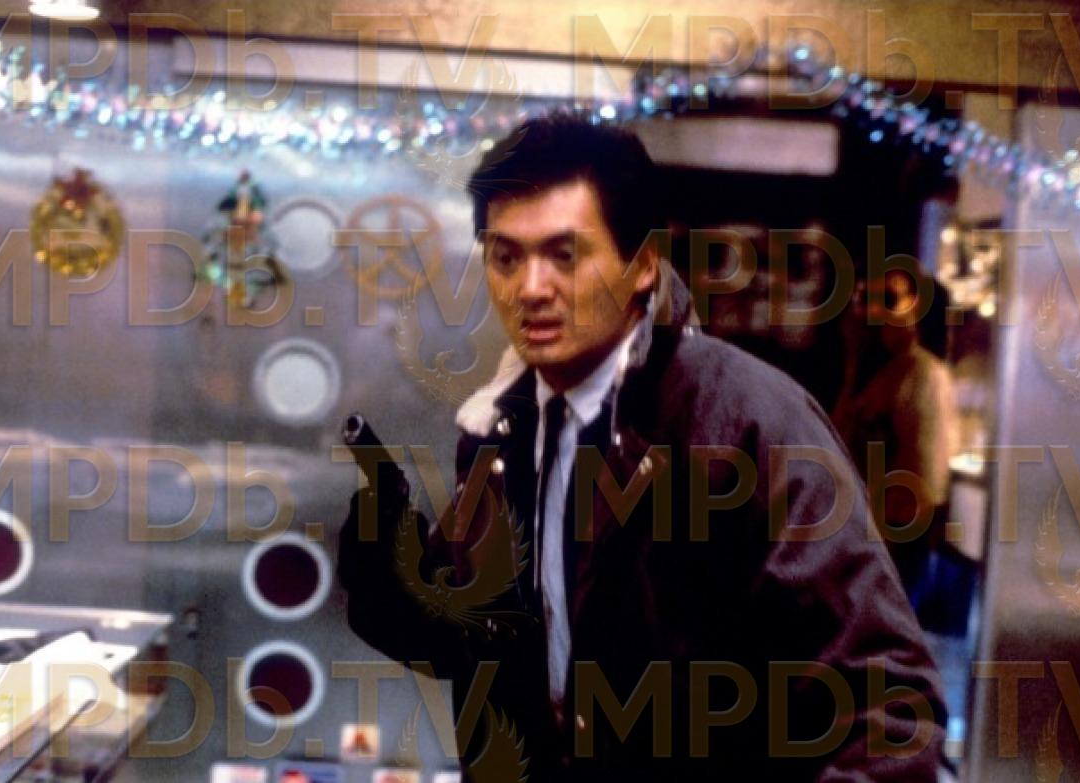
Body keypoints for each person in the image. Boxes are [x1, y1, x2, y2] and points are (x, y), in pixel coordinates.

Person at [338, 114, 947, 781]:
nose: (530, 288)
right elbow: (475, 643)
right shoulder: (502, 430)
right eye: (506, 257)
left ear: (643, 265)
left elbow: (887, 705)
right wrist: (387, 565)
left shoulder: (743, 422)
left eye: (565, 255)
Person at [832, 268, 960, 602]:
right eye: (865, 299)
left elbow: (922, 484)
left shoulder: (924, 375)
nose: (872, 311)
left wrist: (880, 547)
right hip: (856, 543)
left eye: (888, 300)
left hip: (889, 552)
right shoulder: (869, 369)